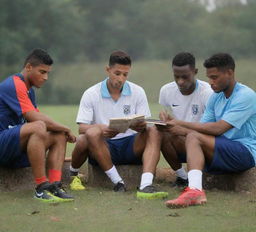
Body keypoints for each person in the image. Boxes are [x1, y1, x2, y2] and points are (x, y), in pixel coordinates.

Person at [69, 50, 168, 199]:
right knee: (88, 135)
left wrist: (139, 125)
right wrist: (101, 128)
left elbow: (145, 122)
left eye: (125, 74)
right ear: (107, 70)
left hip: (131, 146)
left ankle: (146, 185)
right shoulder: (91, 93)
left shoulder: (138, 91)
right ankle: (117, 182)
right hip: (103, 147)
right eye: (117, 73)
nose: (121, 78)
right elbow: (81, 128)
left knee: (154, 131)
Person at [162, 53, 256, 208]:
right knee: (175, 135)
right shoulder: (215, 97)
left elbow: (219, 128)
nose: (211, 83)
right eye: (209, 78)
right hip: (221, 148)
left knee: (193, 137)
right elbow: (203, 130)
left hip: (245, 152)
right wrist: (176, 129)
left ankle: (195, 191)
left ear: (230, 73)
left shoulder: (246, 96)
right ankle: (191, 186)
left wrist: (181, 123)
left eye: (215, 77)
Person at [0, 48, 76, 203]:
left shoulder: (29, 91)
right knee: (40, 126)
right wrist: (66, 128)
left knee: (58, 136)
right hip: (3, 145)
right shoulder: (13, 84)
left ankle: (54, 185)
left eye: (47, 73)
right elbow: (35, 119)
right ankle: (41, 187)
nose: (46, 77)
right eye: (42, 72)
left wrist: (61, 131)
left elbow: (41, 123)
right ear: (28, 67)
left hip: (15, 147)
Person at [159, 52, 213, 187]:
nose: (180, 81)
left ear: (195, 72)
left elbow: (212, 128)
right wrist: (165, 120)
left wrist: (183, 130)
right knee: (160, 133)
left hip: (202, 143)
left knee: (193, 138)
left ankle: (198, 176)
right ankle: (182, 177)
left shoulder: (208, 92)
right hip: (179, 142)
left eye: (185, 77)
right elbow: (168, 114)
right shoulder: (166, 90)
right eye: (176, 76)